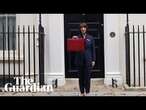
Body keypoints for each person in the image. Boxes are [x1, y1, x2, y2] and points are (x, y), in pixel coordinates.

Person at [72, 22, 96, 96]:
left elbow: (93, 49)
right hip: (79, 60)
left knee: (87, 77)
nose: (83, 29)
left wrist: (93, 60)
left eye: (84, 27)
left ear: (86, 28)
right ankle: (82, 92)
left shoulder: (90, 38)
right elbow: (73, 49)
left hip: (88, 60)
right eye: (81, 27)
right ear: (80, 29)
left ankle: (87, 92)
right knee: (81, 77)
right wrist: (73, 40)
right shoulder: (77, 37)